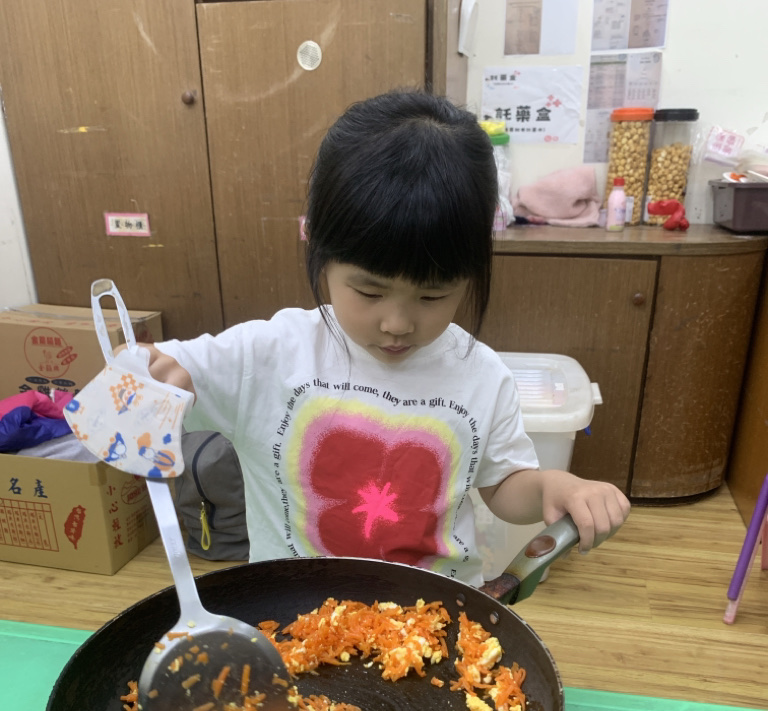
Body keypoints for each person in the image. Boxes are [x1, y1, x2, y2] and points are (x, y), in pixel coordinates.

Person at [145, 89, 630, 588]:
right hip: (293, 611)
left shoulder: (481, 375)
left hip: (435, 613)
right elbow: (153, 370)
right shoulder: (267, 355)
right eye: (370, 292)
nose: (397, 323)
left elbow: (504, 485)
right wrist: (145, 378)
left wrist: (553, 486)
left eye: (432, 296)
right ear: (320, 252)